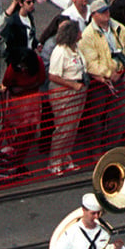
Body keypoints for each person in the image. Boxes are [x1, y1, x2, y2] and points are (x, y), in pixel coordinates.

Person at [78, 0, 125, 149]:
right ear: (93, 15)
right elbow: (90, 62)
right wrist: (108, 74)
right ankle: (95, 149)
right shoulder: (87, 35)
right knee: (96, 118)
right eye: (102, 11)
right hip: (101, 82)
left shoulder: (119, 28)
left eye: (107, 9)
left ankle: (112, 146)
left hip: (121, 77)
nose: (106, 13)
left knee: (122, 114)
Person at [46, 19, 86, 175]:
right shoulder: (60, 51)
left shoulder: (76, 48)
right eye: (79, 32)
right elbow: (53, 76)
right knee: (63, 127)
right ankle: (54, 161)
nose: (81, 34)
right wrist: (72, 85)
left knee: (73, 127)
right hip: (64, 91)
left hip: (79, 90)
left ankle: (65, 157)